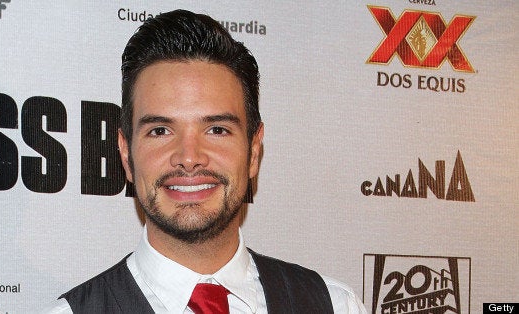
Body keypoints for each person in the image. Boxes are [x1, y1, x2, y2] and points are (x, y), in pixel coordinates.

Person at [49, 9, 366, 314]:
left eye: (216, 129)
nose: (189, 157)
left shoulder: (337, 307)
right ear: (126, 155)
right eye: (160, 130)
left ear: (253, 151)